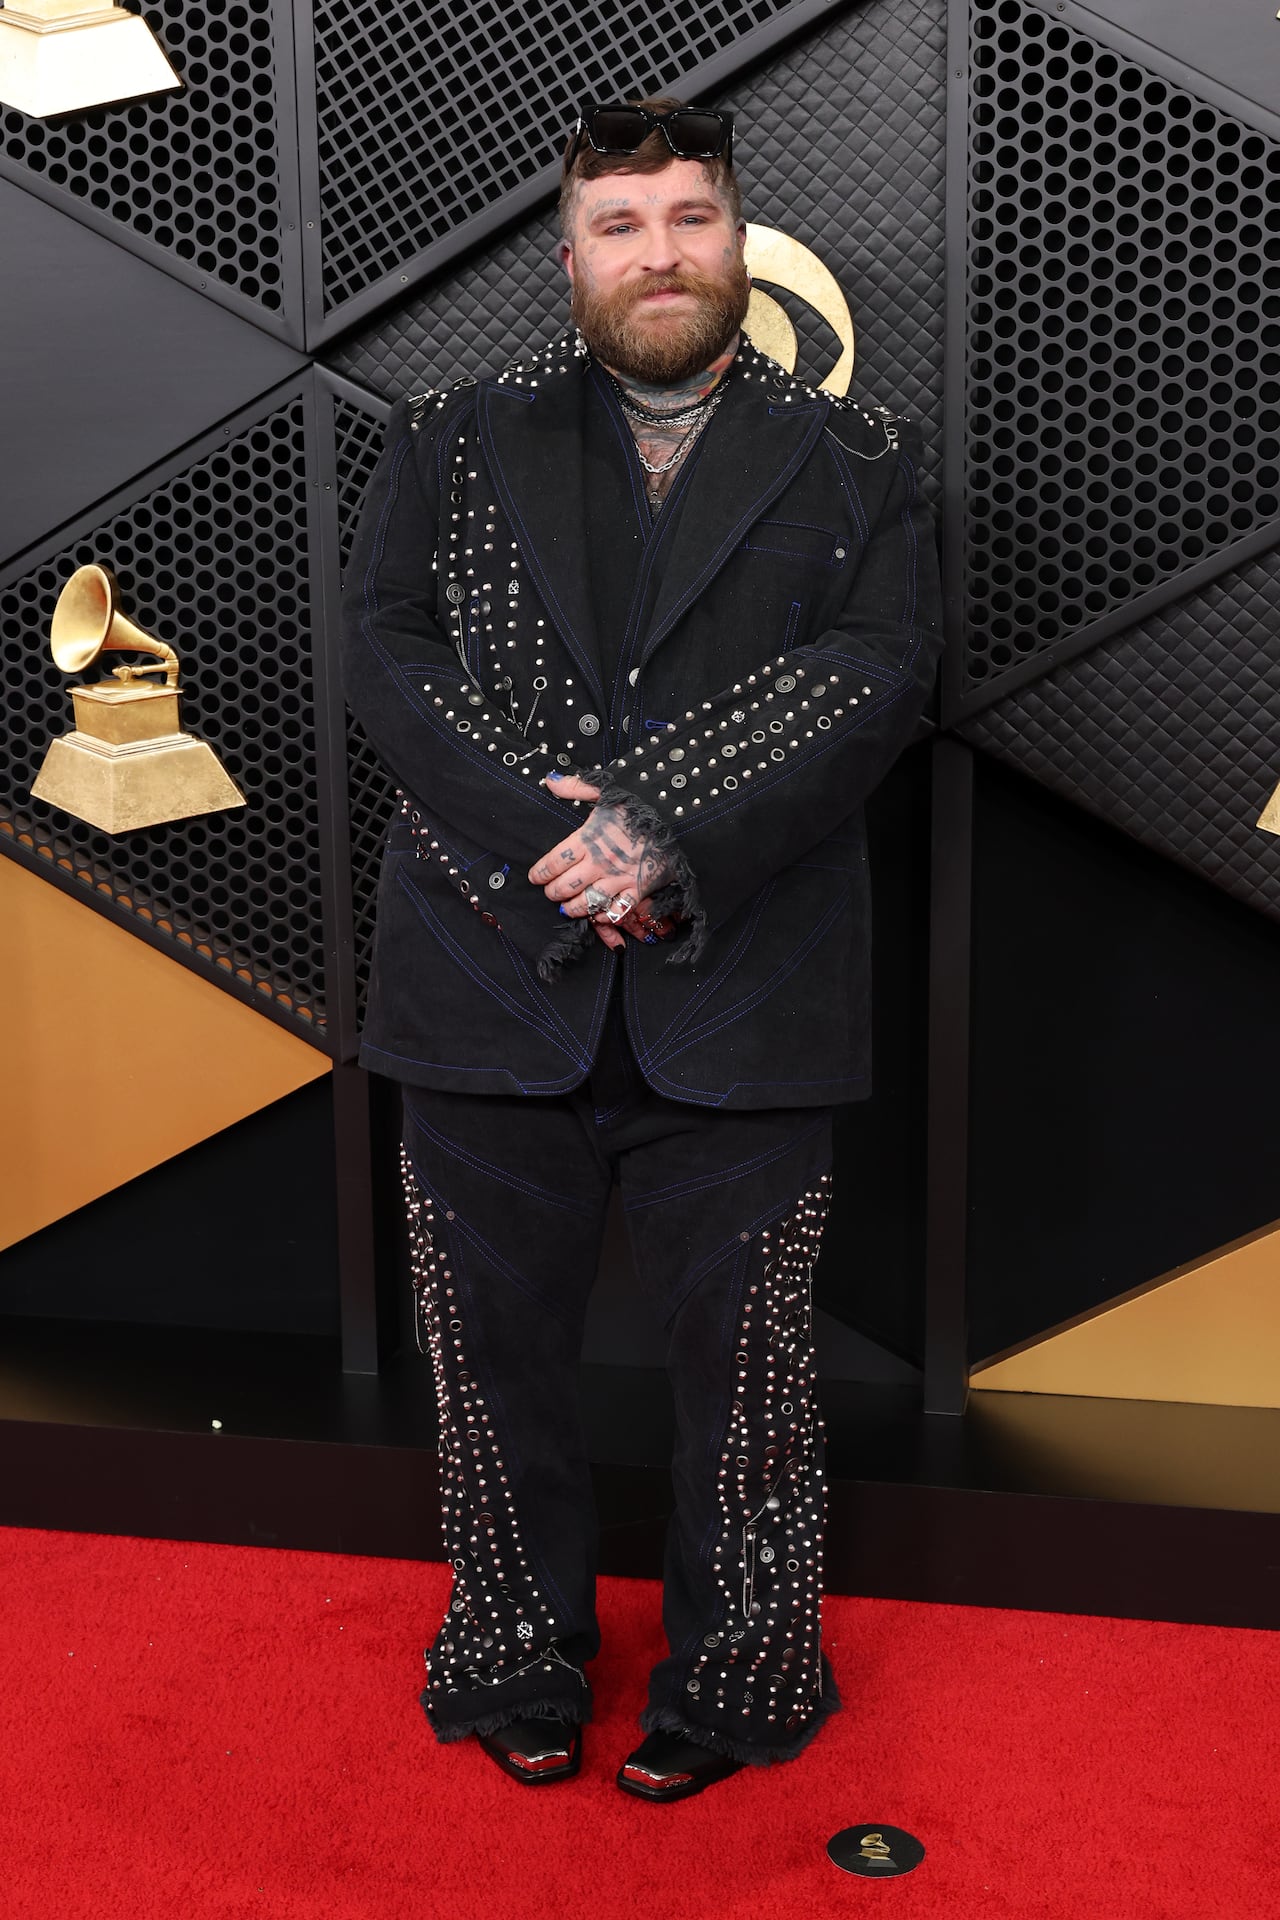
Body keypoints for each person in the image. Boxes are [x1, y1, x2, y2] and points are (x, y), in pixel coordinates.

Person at [341, 95, 944, 1801]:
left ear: (741, 240)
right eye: (624, 224)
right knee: (487, 1364)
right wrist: (551, 839)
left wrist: (657, 827)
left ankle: (748, 1675)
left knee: (750, 1383)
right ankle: (511, 1654)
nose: (660, 251)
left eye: (691, 217)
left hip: (746, 995)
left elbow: (872, 680)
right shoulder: (449, 438)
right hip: (475, 982)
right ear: (573, 252)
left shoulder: (867, 460)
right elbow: (387, 660)